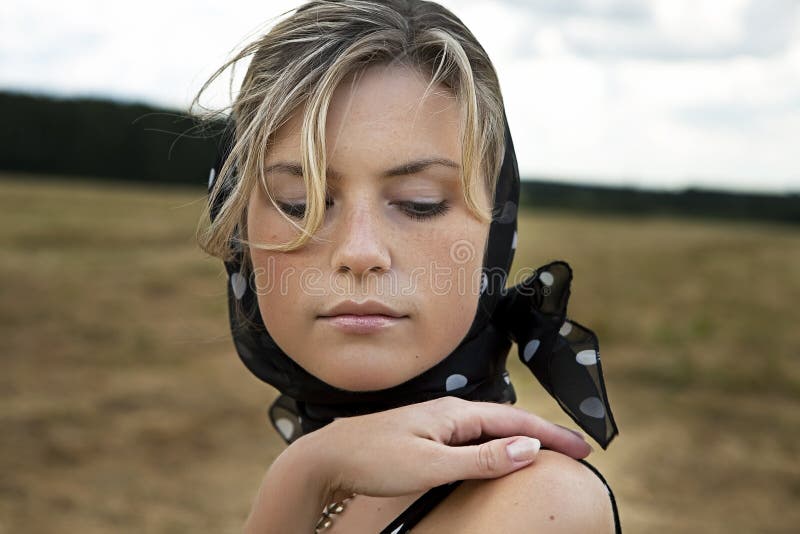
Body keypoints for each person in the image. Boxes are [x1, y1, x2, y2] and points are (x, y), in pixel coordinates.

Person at [192, 1, 621, 532]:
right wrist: (307, 472)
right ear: (241, 230)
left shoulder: (537, 505)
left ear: (495, 232)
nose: (360, 252)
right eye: (299, 203)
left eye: (420, 203)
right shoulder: (328, 470)